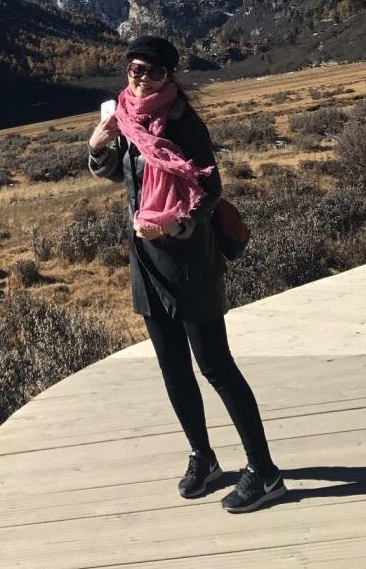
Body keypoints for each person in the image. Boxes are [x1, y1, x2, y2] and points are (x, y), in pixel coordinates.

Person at [87, 34, 285, 512]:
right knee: (173, 368)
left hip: (190, 258)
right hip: (146, 260)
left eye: (153, 71)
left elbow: (210, 187)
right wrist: (97, 146)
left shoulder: (184, 123)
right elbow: (122, 174)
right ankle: (204, 457)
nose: (142, 77)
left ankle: (265, 472)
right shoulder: (124, 117)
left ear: (169, 75)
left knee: (215, 366)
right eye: (135, 68)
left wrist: (178, 225)